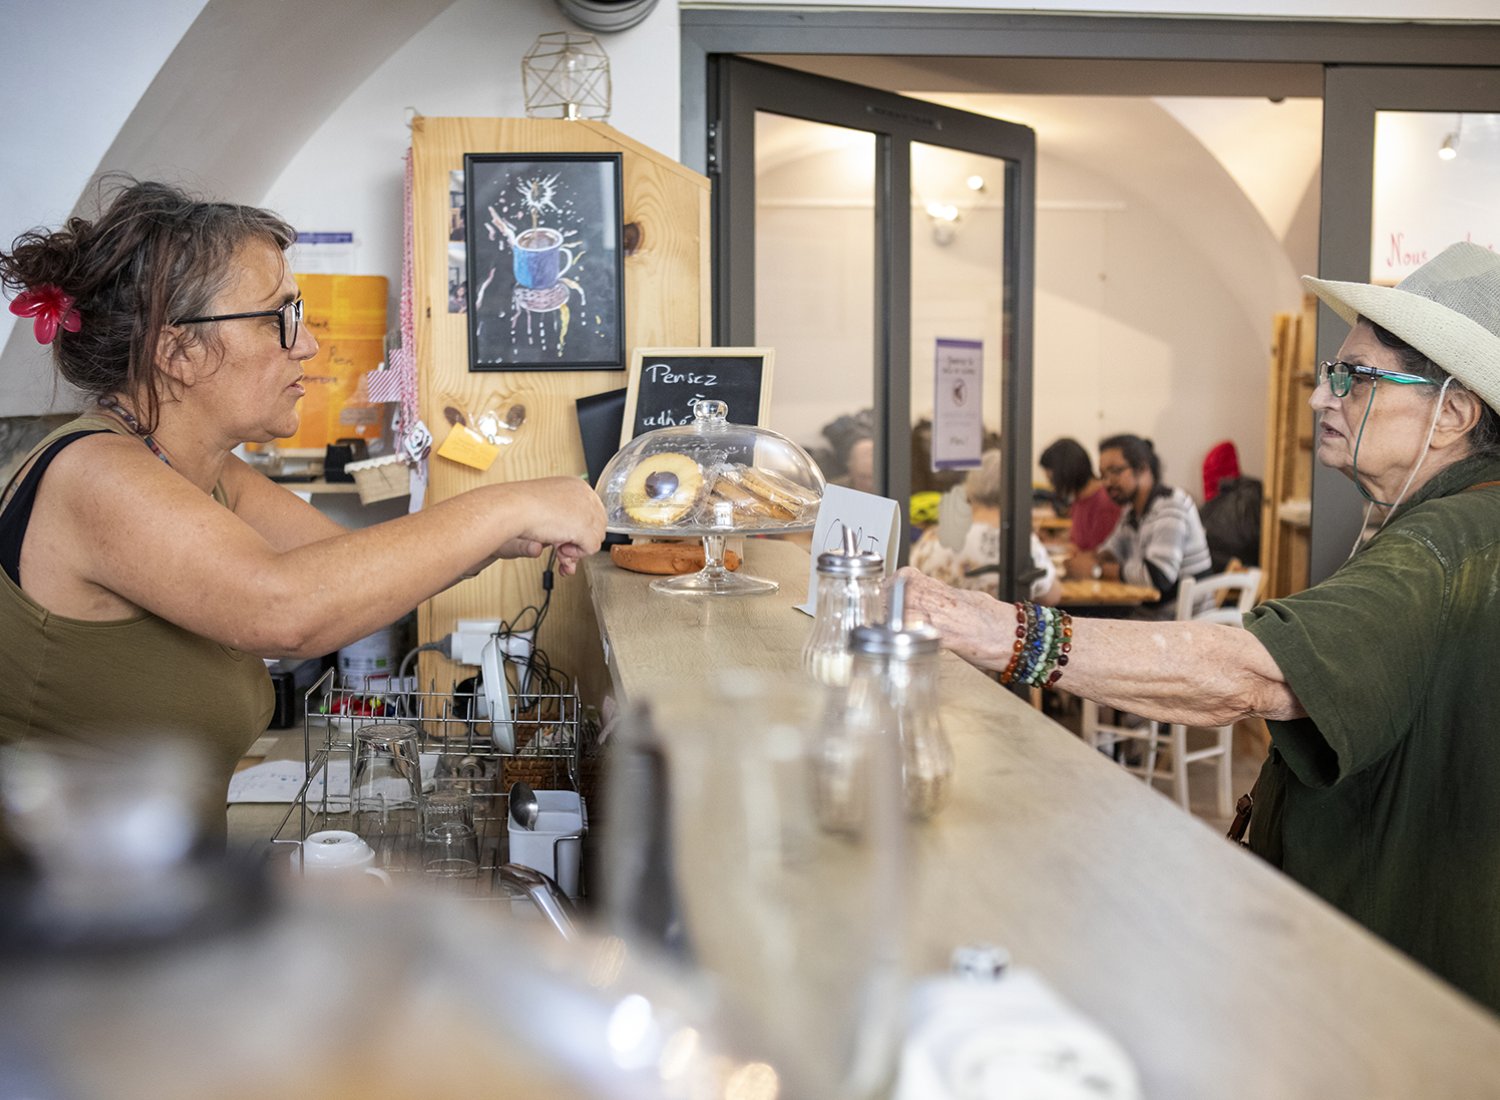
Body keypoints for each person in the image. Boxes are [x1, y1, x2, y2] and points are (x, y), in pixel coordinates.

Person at [900, 241, 1500, 1013]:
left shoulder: (1444, 544)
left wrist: (1004, 631)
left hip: (1396, 987)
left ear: (1452, 412)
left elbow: (1253, 670)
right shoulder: (1455, 521)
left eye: (1353, 380)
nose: (1323, 399)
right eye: (1329, 376)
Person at [0, 180, 605, 859]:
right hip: (53, 934)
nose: (310, 345)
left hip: (153, 902)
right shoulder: (97, 477)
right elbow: (290, 612)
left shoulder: (199, 469)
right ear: (178, 352)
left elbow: (356, 567)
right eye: (280, 317)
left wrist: (502, 538)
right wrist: (510, 502)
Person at [1066, 434, 1212, 620]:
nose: (1107, 483)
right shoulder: (1131, 512)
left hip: (1179, 622)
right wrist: (1083, 562)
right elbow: (1111, 550)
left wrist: (1097, 571)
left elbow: (1158, 577)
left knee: (1081, 624)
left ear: (1143, 468)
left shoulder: (1171, 505)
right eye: (1103, 475)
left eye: (1115, 471)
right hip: (1150, 615)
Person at [910, 450, 1061, 605]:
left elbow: (910, 585)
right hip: (1001, 628)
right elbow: (1052, 596)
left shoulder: (933, 537)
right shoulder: (1020, 541)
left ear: (970, 486)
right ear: (1017, 491)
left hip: (941, 627)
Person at [1038, 437, 1121, 552]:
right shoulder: (1080, 500)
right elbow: (1078, 541)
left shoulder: (1104, 502)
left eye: (1053, 481)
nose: (1054, 487)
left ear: (1066, 474)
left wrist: (1050, 546)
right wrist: (1050, 541)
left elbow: (1096, 553)